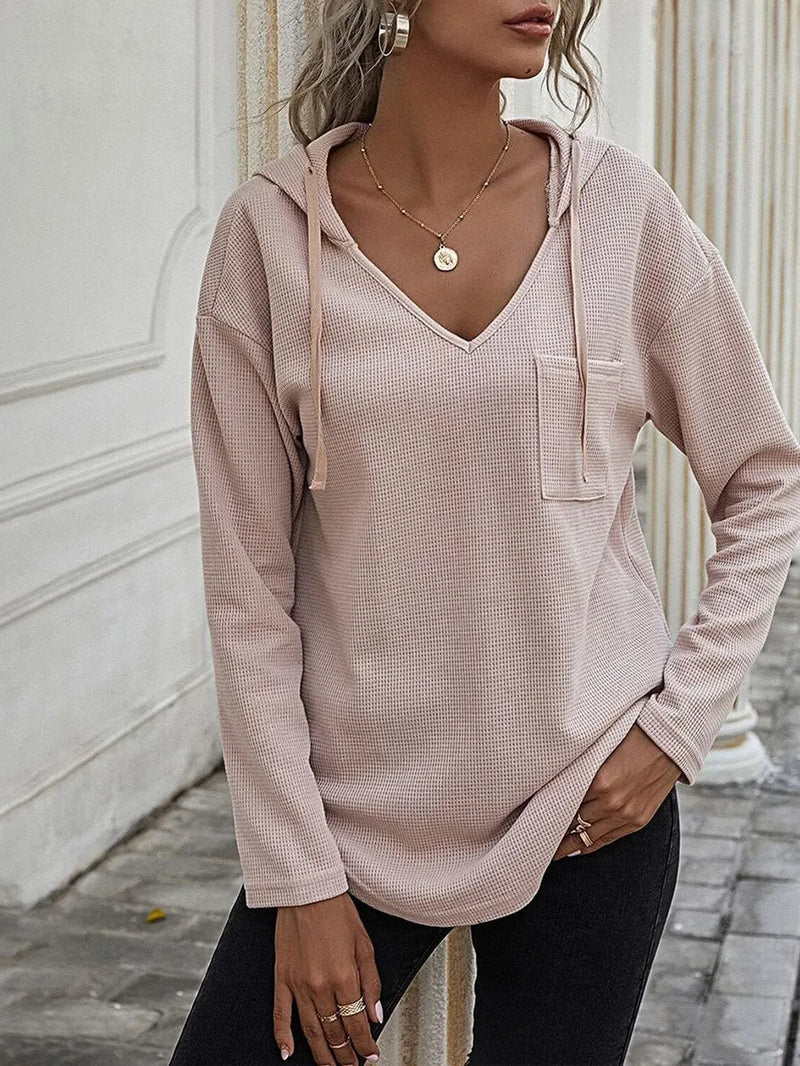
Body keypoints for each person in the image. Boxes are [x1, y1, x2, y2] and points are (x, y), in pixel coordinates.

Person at [169, 1, 800, 1063]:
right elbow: (247, 588)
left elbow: (764, 476)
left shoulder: (621, 213)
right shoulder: (270, 235)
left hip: (592, 808)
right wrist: (298, 876)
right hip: (352, 825)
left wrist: (677, 727)